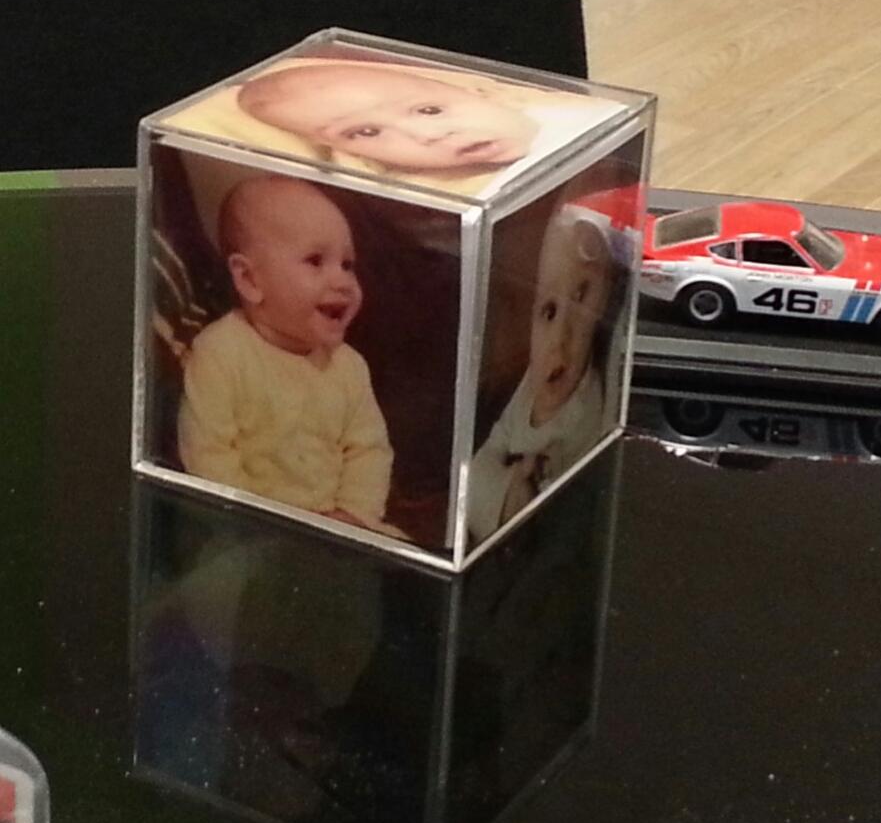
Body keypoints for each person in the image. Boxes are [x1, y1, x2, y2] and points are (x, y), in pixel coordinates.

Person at [178, 175, 402, 537]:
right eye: (316, 260)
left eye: (347, 264)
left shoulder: (349, 367)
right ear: (250, 280)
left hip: (337, 528)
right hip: (246, 532)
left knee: (402, 554)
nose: (343, 282)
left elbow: (369, 451)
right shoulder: (219, 353)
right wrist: (256, 526)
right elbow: (208, 456)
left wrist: (353, 516)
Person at [160, 57, 625, 198]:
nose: (426, 136)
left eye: (429, 110)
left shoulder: (587, 124)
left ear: (482, 91)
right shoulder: (438, 194)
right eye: (366, 134)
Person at [467, 207, 618, 544]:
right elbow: (487, 455)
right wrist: (506, 491)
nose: (561, 336)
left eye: (582, 296)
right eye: (548, 312)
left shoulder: (584, 403)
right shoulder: (532, 389)